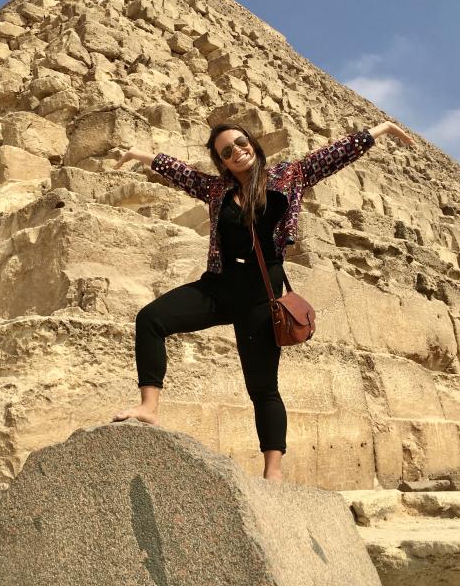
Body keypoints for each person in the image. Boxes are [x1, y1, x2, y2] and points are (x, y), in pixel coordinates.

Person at [111, 120, 415, 481]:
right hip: (219, 287)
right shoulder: (216, 189)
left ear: (252, 142)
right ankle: (149, 406)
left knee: (263, 387)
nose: (237, 152)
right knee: (150, 319)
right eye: (226, 152)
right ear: (221, 162)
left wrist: (381, 129)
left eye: (241, 143)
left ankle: (273, 472)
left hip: (261, 296)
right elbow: (179, 171)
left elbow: (336, 154)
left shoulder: (291, 175)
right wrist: (139, 154)